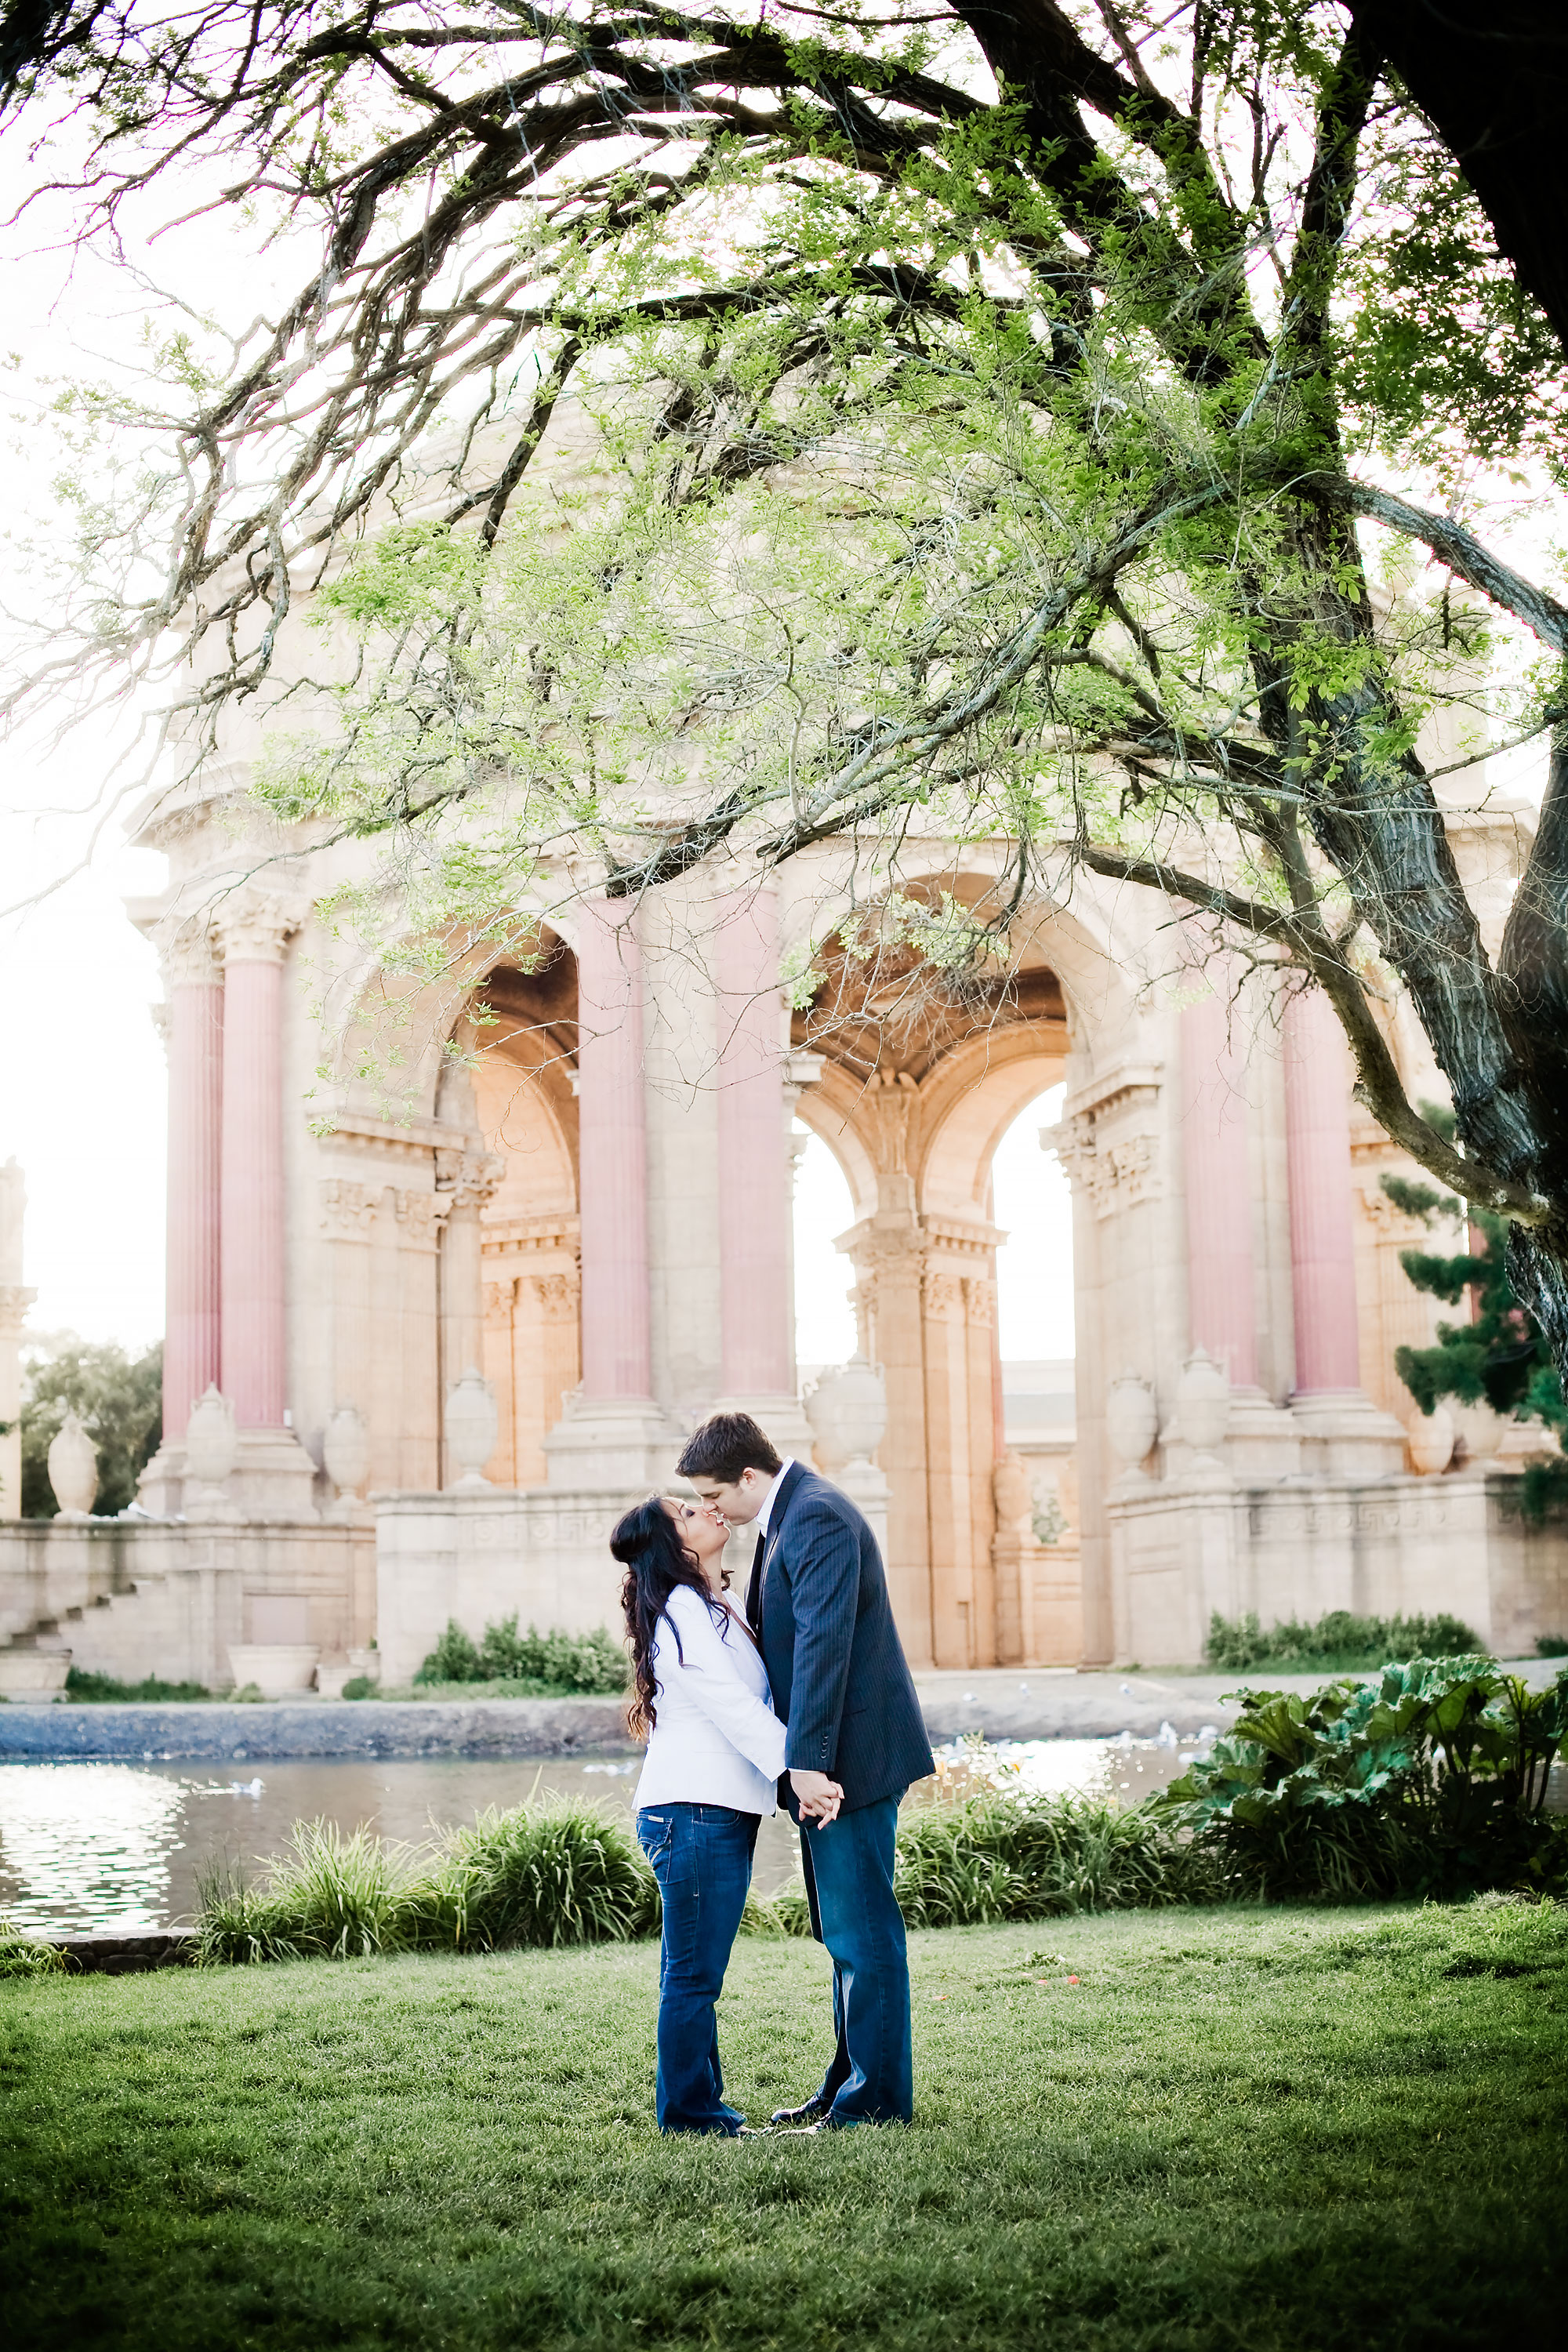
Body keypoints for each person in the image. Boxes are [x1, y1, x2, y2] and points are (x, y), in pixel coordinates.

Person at [674, 1411, 935, 2131]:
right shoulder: (793, 1511)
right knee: (841, 1933)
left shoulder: (815, 1515)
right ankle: (847, 2084)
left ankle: (873, 2105)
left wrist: (806, 1768)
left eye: (716, 1496)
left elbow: (824, 1648)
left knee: (862, 1932)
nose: (713, 1510)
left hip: (849, 1763)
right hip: (834, 1762)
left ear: (749, 1477)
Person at [611, 1490, 843, 2137]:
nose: (707, 1509)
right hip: (691, 1813)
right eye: (687, 1512)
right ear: (675, 1546)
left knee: (691, 1973)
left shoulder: (720, 1605)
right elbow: (729, 1706)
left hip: (714, 1813)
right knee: (692, 1976)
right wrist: (797, 1774)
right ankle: (693, 2118)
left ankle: (699, 2111)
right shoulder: (682, 1609)